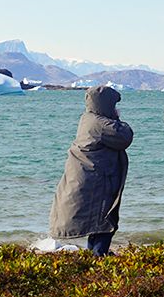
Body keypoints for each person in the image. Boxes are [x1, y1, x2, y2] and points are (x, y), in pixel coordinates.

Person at [48, 85, 134, 256]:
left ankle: (95, 254)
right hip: (96, 181)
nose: (116, 109)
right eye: (113, 105)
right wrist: (117, 119)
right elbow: (125, 136)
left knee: (97, 219)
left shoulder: (87, 118)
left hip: (90, 179)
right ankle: (98, 256)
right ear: (105, 105)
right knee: (105, 219)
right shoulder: (100, 124)